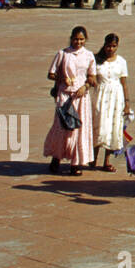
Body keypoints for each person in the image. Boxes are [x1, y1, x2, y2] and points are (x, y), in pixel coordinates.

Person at [42, 26, 97, 175]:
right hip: (65, 95)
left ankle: (76, 162)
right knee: (61, 127)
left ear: (85, 40)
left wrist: (85, 86)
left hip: (81, 96)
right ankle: (56, 157)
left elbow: (92, 76)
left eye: (81, 39)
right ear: (71, 38)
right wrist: (62, 79)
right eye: (76, 39)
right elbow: (51, 74)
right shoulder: (62, 54)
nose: (78, 42)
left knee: (78, 129)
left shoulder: (89, 55)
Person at [91, 33, 129, 171]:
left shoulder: (121, 61)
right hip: (100, 95)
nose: (111, 49)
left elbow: (124, 83)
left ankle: (106, 161)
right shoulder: (96, 60)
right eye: (108, 46)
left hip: (116, 97)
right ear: (104, 45)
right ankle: (92, 159)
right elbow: (90, 78)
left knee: (112, 128)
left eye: (114, 46)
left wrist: (127, 103)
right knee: (99, 125)